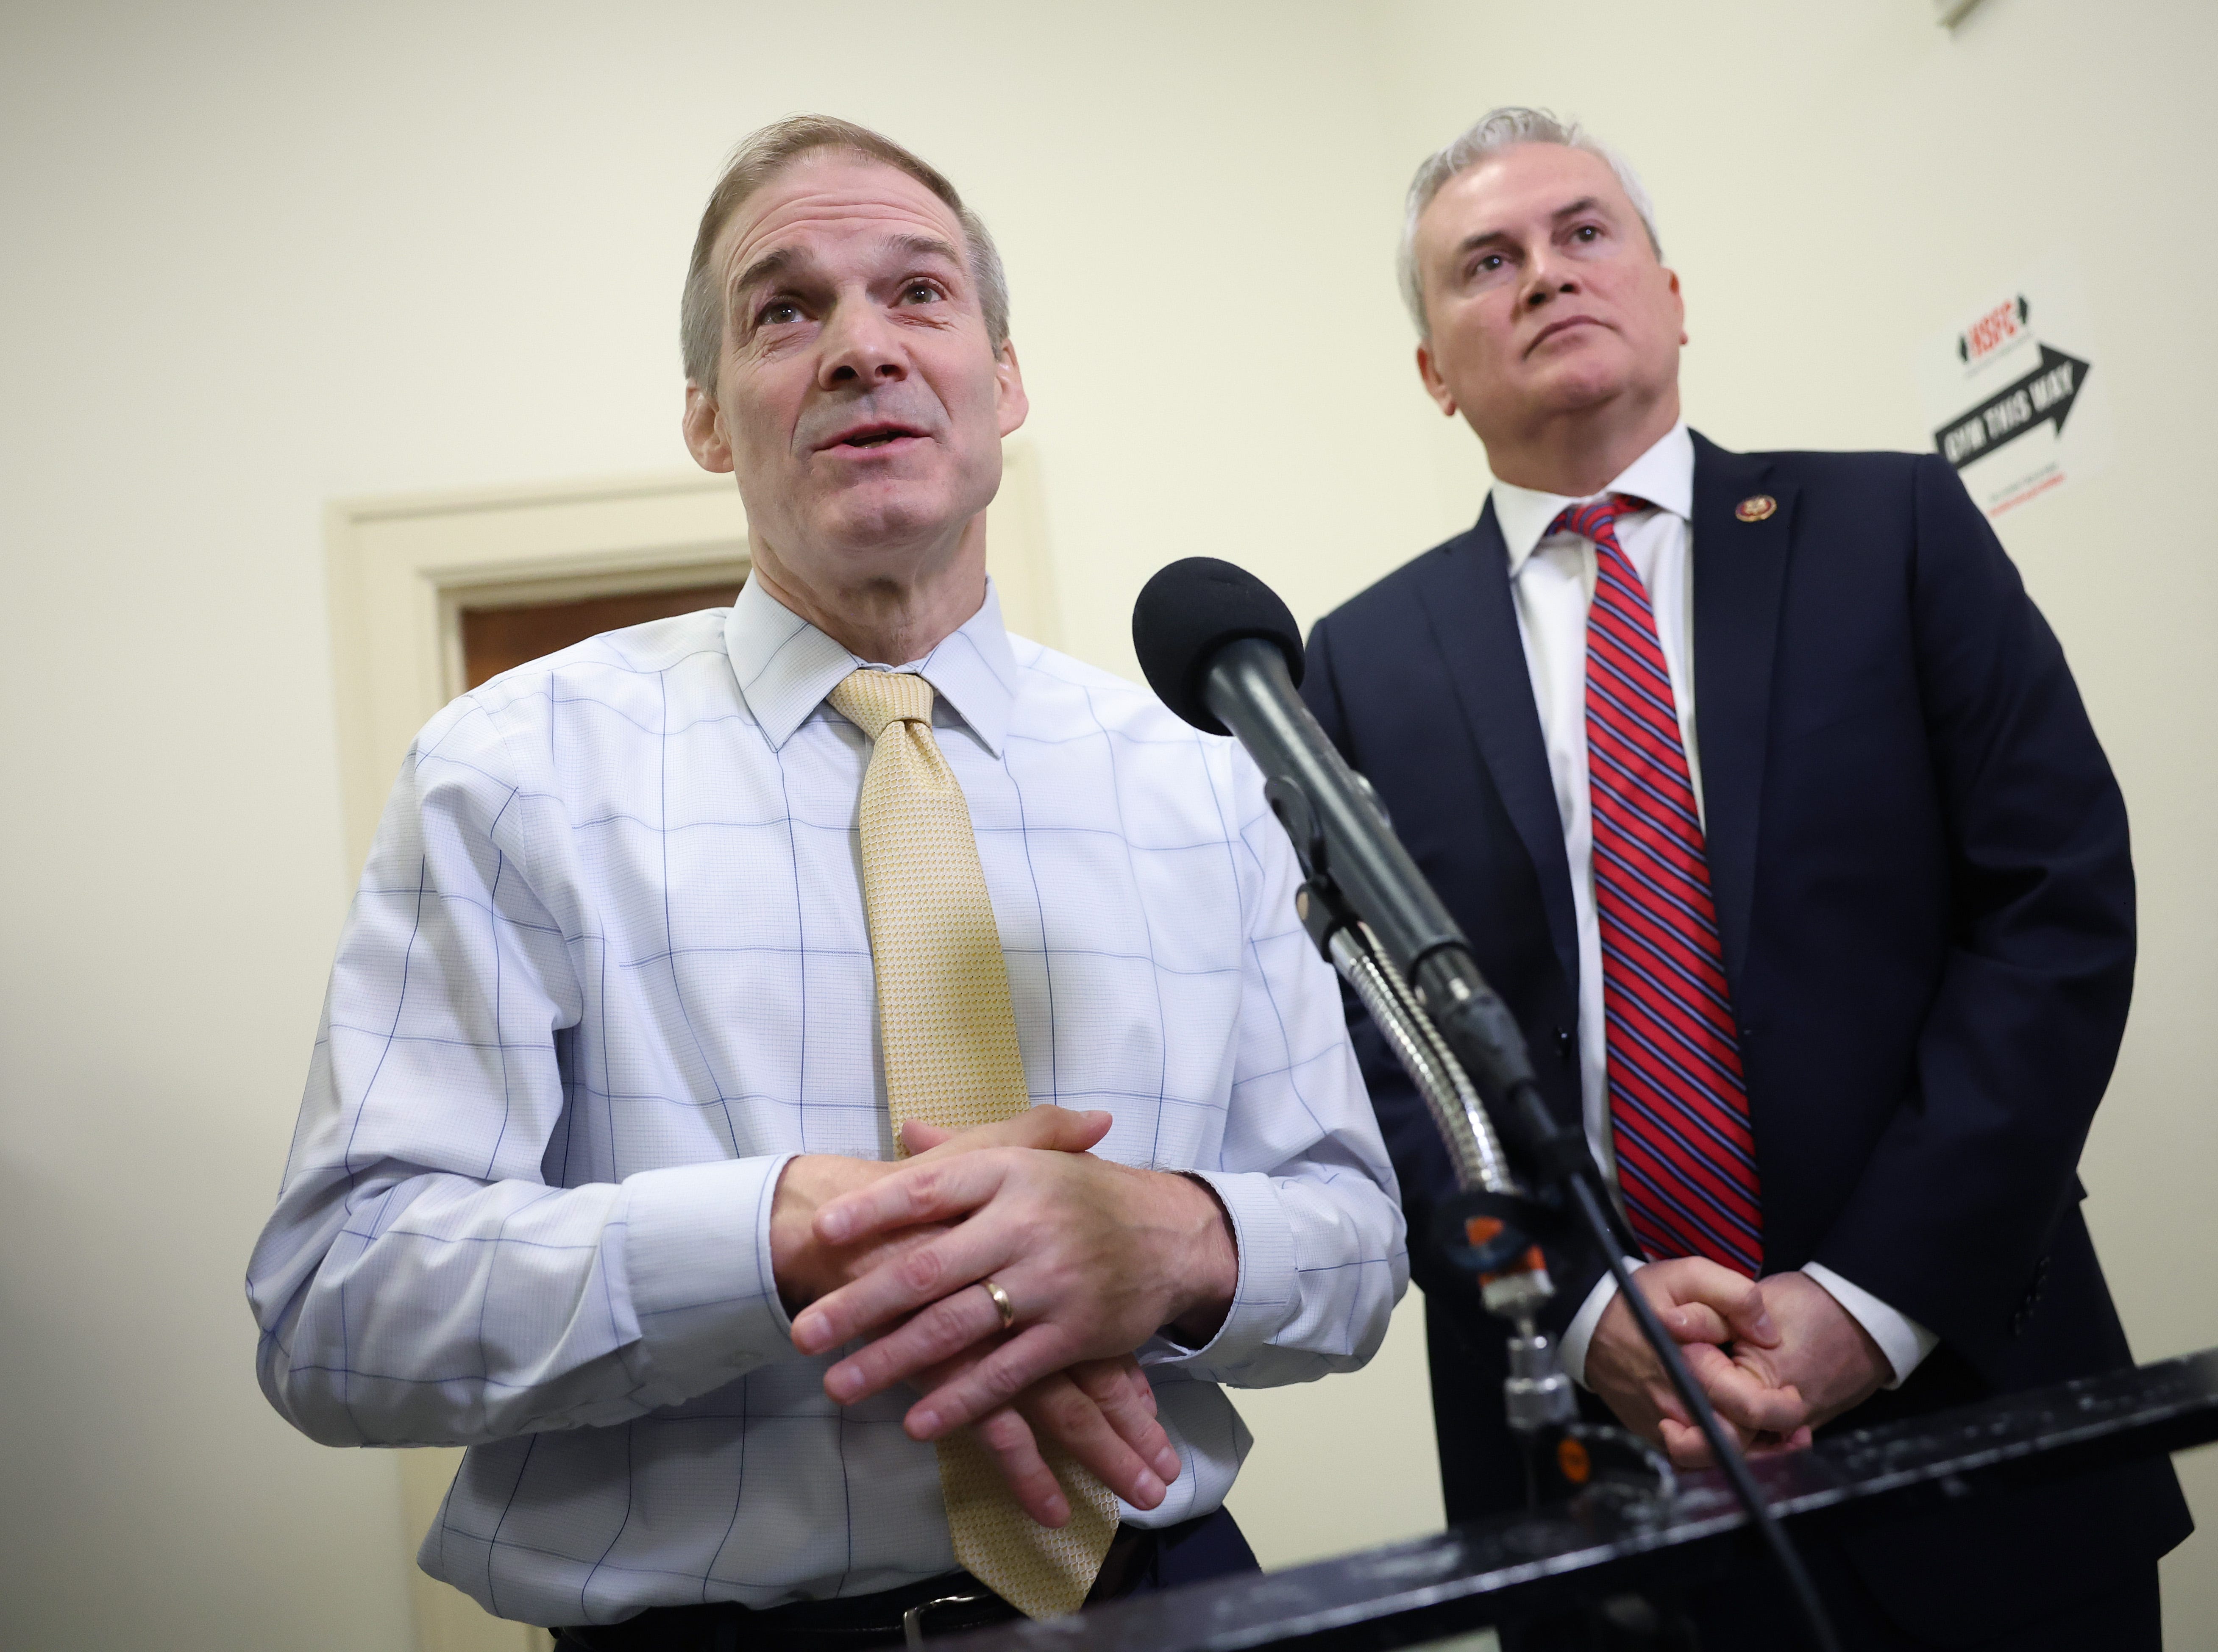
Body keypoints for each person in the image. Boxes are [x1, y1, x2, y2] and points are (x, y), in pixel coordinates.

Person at [247, 115, 1405, 1649]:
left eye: (919, 294)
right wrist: (777, 1232)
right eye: (785, 310)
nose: (863, 346)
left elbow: (1357, 1235)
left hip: (1171, 1599)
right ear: (709, 418)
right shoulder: (509, 771)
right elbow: (338, 1306)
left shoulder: (1200, 772)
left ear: (1006, 381)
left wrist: (1176, 1243)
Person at [1300, 108, 2190, 1650]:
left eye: (1587, 233)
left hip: (1976, 1400)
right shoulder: (1355, 665)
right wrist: (1591, 1319)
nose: (1547, 276)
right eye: (1486, 262)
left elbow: (2055, 910)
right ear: (1434, 372)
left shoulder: (1895, 528)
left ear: (1672, 290)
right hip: (1598, 1481)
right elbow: (1374, 1054)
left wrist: (1867, 1302)